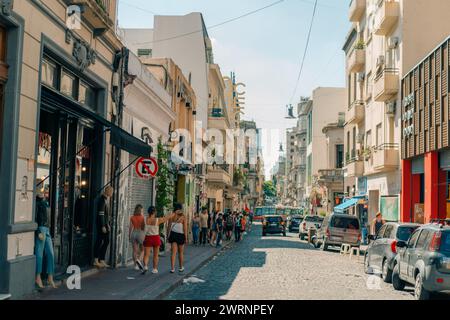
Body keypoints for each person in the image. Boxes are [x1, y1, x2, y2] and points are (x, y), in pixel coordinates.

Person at [35, 192, 56, 289]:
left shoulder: (46, 202)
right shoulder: (36, 203)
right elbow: (35, 218)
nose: (42, 191)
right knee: (39, 253)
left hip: (47, 229)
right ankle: (38, 277)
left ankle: (50, 277)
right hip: (41, 229)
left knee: (51, 253)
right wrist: (38, 230)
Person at [142, 206, 172, 274]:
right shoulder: (157, 220)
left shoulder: (145, 219)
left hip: (148, 238)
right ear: (154, 212)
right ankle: (154, 269)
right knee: (155, 255)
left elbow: (142, 228)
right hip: (155, 238)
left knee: (146, 254)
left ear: (148, 212)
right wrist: (172, 214)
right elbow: (165, 218)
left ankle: (145, 266)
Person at [94, 186, 113, 268]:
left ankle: (101, 260)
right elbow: (101, 214)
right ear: (107, 191)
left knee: (106, 241)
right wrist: (103, 226)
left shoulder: (105, 199)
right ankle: (96, 260)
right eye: (111, 191)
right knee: (100, 241)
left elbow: (106, 215)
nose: (112, 193)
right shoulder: (102, 200)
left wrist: (108, 224)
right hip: (101, 225)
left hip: (105, 225)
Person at [167, 203, 188, 273]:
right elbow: (185, 228)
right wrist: (186, 237)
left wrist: (168, 235)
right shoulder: (183, 216)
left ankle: (172, 268)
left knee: (173, 253)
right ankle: (181, 267)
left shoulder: (172, 215)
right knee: (181, 252)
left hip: (173, 234)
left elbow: (169, 226)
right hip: (181, 235)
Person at [129, 204, 145, 271]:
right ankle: (139, 260)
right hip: (140, 233)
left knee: (134, 251)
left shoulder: (132, 217)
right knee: (142, 250)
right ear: (141, 210)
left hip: (134, 233)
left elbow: (130, 227)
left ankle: (135, 265)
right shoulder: (143, 217)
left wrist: (129, 235)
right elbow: (143, 227)